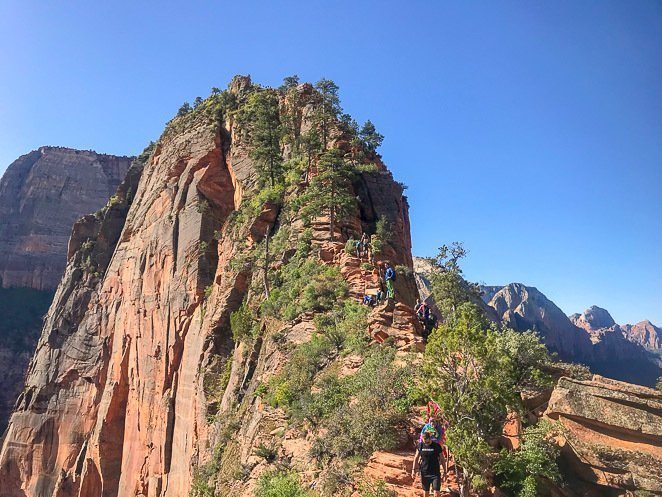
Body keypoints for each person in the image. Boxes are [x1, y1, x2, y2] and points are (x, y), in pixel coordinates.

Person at [412, 430, 445, 497]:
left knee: (436, 493)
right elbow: (416, 458)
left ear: (430, 438)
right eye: (424, 441)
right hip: (424, 472)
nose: (426, 443)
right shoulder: (420, 445)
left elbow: (442, 458)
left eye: (427, 441)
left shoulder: (436, 446)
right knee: (426, 493)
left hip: (435, 473)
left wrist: (445, 471)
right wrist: (413, 470)